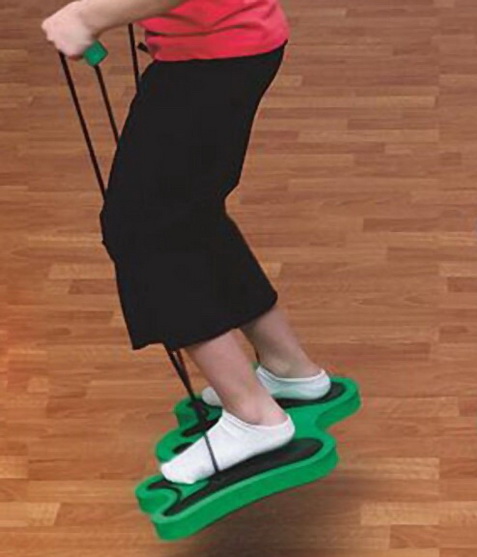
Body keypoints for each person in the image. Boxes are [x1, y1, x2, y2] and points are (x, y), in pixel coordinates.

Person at [42, 0, 331, 485]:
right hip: (224, 46)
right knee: (189, 212)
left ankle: (254, 416)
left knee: (142, 228)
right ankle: (288, 366)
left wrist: (88, 17)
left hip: (212, 57)